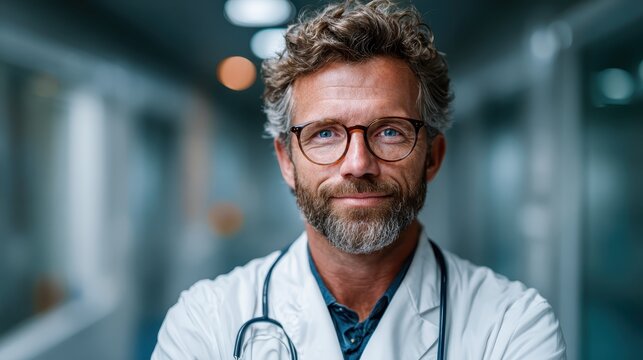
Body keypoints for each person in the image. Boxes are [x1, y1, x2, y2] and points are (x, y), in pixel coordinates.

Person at [152, 1, 566, 359]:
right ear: (286, 161)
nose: (357, 163)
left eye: (389, 131)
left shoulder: (513, 327)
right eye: (325, 134)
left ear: (432, 157)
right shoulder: (204, 322)